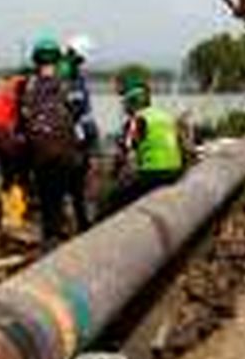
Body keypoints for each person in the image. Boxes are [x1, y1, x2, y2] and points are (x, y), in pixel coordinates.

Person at [19, 34, 82, 249]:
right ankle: (58, 233)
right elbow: (77, 111)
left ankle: (50, 236)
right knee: (60, 192)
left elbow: (24, 115)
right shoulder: (68, 82)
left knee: (46, 195)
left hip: (39, 151)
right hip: (64, 150)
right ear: (56, 60)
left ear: (36, 60)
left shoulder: (29, 85)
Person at [105, 76, 184, 214]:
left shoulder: (137, 120)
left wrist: (113, 174)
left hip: (153, 174)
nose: (124, 107)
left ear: (132, 102)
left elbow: (123, 154)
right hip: (176, 172)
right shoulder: (165, 116)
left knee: (114, 200)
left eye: (125, 103)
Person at [0, 67, 30, 227]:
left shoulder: (4, 87)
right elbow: (21, 115)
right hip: (4, 135)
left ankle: (5, 212)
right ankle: (14, 214)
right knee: (16, 178)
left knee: (8, 176)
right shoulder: (19, 86)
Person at [61, 35, 98, 232]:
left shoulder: (75, 76)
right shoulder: (66, 74)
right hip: (70, 140)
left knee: (76, 184)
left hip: (78, 138)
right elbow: (75, 109)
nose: (81, 64)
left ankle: (80, 221)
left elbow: (83, 110)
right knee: (72, 184)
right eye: (80, 60)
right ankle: (76, 222)